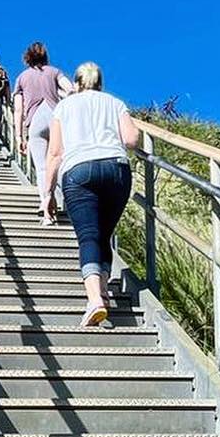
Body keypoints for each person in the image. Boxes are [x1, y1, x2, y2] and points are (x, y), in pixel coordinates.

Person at [43, 62, 141, 327]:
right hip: (116, 169)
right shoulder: (115, 103)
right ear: (100, 83)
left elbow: (54, 153)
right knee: (104, 236)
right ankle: (105, 293)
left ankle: (95, 300)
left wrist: (47, 194)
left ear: (76, 84)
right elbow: (132, 140)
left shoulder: (64, 107)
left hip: (79, 171)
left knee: (88, 235)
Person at [13, 41, 70, 224]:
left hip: (34, 121)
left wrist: (19, 136)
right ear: (45, 56)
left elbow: (18, 110)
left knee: (42, 167)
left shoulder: (22, 77)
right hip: (55, 117)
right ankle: (61, 201)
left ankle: (45, 204)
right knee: (58, 163)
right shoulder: (54, 72)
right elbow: (70, 89)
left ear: (27, 58)